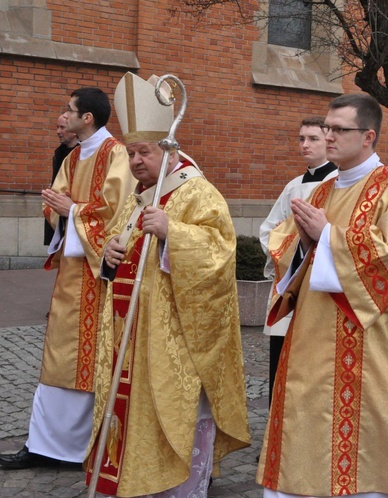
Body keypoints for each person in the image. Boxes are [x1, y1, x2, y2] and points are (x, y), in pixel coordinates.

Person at [257, 93, 388, 497]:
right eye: (327, 128)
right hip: (310, 340)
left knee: (366, 448)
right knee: (304, 434)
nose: (329, 137)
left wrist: (328, 237)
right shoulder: (319, 192)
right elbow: (285, 249)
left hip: (369, 343)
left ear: (368, 136)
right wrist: (303, 244)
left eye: (339, 130)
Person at [86, 72, 250, 496]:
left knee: (176, 417)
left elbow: (220, 255)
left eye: (144, 152)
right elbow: (118, 244)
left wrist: (173, 233)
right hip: (131, 337)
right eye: (131, 153)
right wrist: (108, 256)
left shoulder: (198, 193)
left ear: (169, 150)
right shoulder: (141, 194)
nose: (137, 161)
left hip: (174, 341)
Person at [0, 88, 136, 470]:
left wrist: (72, 210)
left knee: (90, 360)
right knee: (59, 359)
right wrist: (61, 210)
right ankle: (45, 444)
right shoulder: (74, 157)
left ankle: (85, 444)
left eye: (68, 110)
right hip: (72, 273)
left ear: (86, 117)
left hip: (98, 274)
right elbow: (54, 201)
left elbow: (118, 213)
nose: (63, 115)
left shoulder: (117, 155)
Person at [258, 116, 338, 402]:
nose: (305, 144)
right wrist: (291, 248)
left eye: (313, 138)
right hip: (289, 283)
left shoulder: (339, 184)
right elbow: (268, 230)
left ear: (329, 141)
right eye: (301, 138)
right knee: (281, 365)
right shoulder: (294, 186)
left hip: (318, 288)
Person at [45, 114, 79, 245]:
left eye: (62, 127)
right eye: (57, 127)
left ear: (74, 130)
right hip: (55, 209)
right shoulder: (58, 152)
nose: (58, 131)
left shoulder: (82, 153)